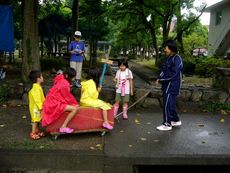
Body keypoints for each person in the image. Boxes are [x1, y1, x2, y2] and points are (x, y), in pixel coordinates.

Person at [155, 39, 183, 131]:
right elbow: (164, 70)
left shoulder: (177, 58)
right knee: (170, 104)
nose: (164, 49)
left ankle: (167, 124)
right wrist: (159, 78)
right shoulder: (169, 58)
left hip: (172, 86)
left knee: (167, 104)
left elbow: (174, 74)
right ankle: (175, 120)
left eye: (165, 48)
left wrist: (162, 79)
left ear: (171, 48)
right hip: (167, 85)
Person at [42, 68, 80, 133]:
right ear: (67, 76)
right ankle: (63, 126)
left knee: (72, 106)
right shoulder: (65, 84)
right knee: (75, 109)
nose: (74, 79)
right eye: (73, 77)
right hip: (53, 104)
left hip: (50, 101)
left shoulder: (60, 79)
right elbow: (67, 96)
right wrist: (75, 104)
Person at [28, 70, 45, 140]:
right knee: (35, 120)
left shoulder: (38, 87)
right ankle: (33, 133)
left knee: (38, 119)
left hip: (37, 107)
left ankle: (36, 131)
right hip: (36, 108)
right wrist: (41, 107)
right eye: (41, 76)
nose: (43, 77)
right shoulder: (36, 88)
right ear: (38, 78)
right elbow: (37, 99)